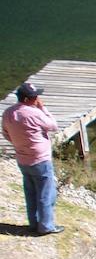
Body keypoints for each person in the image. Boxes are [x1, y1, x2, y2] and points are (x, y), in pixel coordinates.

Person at [2, 81, 63, 235]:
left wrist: (19, 143)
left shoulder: (8, 113)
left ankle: (34, 223)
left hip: (22, 159)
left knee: (30, 192)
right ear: (27, 99)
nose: (37, 99)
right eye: (34, 97)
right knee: (45, 193)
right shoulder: (34, 113)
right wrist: (42, 108)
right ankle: (46, 226)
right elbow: (53, 126)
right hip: (40, 159)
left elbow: (6, 133)